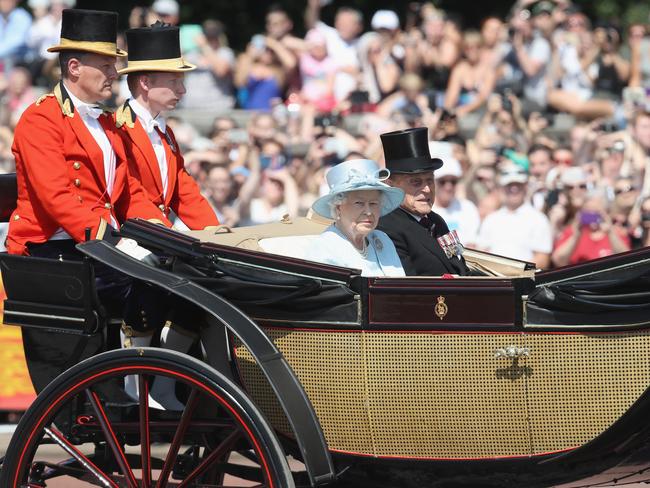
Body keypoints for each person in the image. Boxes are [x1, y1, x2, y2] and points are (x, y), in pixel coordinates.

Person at [6, 8, 183, 407]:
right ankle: (134, 383)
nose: (115, 73)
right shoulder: (40, 120)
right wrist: (113, 242)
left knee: (178, 278)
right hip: (52, 254)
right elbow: (56, 200)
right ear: (73, 67)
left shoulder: (105, 123)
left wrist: (163, 235)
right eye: (106, 65)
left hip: (91, 250)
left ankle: (154, 381)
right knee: (150, 281)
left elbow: (128, 195)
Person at [116, 21, 219, 232]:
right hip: (131, 239)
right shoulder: (118, 129)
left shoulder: (165, 131)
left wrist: (216, 233)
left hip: (158, 236)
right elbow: (129, 194)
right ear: (145, 83)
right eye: (174, 81)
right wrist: (167, 236)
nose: (182, 90)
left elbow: (184, 190)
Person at [376, 127, 469, 276]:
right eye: (416, 182)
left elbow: (459, 267)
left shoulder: (435, 221)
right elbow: (408, 285)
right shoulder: (386, 227)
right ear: (391, 184)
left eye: (430, 180)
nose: (427, 189)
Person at [307, 158, 405, 277]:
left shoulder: (382, 239)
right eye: (359, 203)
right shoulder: (324, 247)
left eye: (373, 203)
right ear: (338, 208)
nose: (368, 212)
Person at [476, 165, 553, 269]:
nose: (514, 188)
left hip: (524, 282)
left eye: (518, 184)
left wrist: (513, 272)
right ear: (502, 188)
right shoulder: (491, 219)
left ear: (525, 186)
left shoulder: (538, 219)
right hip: (493, 280)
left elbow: (542, 259)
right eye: (509, 185)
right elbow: (481, 253)